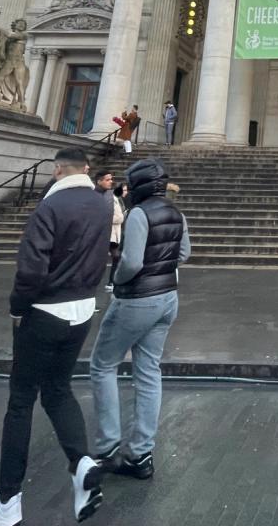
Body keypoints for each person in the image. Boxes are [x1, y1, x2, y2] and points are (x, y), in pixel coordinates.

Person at [0, 147, 113, 526]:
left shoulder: (49, 208)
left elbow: (31, 271)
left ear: (55, 171)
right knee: (59, 389)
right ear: (85, 169)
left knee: (20, 402)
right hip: (83, 309)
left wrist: (17, 307)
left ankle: (7, 499)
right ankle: (81, 461)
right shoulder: (102, 204)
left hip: (45, 310)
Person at [89, 159, 190, 481]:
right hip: (168, 298)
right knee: (148, 371)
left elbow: (131, 261)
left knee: (103, 365)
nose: (127, 190)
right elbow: (184, 253)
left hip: (138, 299)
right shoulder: (175, 212)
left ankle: (107, 448)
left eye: (130, 185)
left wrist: (117, 278)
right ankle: (140, 454)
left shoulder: (139, 214)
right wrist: (161, 265)